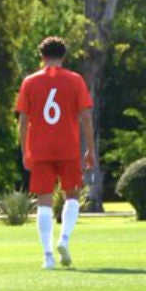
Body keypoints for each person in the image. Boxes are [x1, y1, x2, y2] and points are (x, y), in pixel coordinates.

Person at [15, 36, 96, 269]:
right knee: (72, 195)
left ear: (42, 56)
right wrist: (90, 149)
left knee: (44, 201)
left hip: (40, 148)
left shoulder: (30, 82)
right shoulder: (75, 80)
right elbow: (86, 117)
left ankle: (47, 256)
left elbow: (23, 121)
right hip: (68, 147)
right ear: (64, 56)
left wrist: (25, 150)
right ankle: (65, 239)